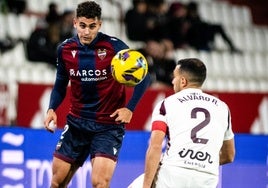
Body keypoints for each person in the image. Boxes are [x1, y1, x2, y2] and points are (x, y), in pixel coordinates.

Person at [43, 1, 150, 188]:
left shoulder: (115, 47)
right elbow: (60, 83)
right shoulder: (65, 50)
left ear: (99, 25)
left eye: (92, 26)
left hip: (108, 126)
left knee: (100, 182)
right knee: (57, 181)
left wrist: (130, 108)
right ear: (75, 23)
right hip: (76, 123)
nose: (86, 32)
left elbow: (144, 76)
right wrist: (52, 108)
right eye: (82, 26)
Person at [129, 58, 235, 188]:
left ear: (183, 81)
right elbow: (229, 155)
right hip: (207, 178)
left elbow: (155, 147)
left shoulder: (167, 104)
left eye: (174, 77)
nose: (173, 81)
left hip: (173, 174)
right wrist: (200, 163)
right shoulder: (223, 107)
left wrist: (146, 186)